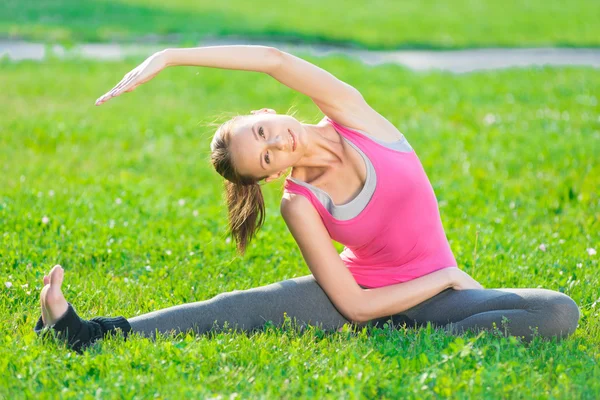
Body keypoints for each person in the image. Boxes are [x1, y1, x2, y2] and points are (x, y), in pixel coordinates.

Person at [36, 45, 580, 353]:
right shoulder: (300, 202)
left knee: (556, 310)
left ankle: (413, 333)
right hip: (374, 294)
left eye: (264, 131)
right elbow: (356, 306)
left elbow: (274, 58)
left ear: (267, 111)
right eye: (267, 158)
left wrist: (170, 56)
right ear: (271, 176)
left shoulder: (353, 115)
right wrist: (446, 277)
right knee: (243, 309)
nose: (277, 144)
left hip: (433, 301)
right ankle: (83, 333)